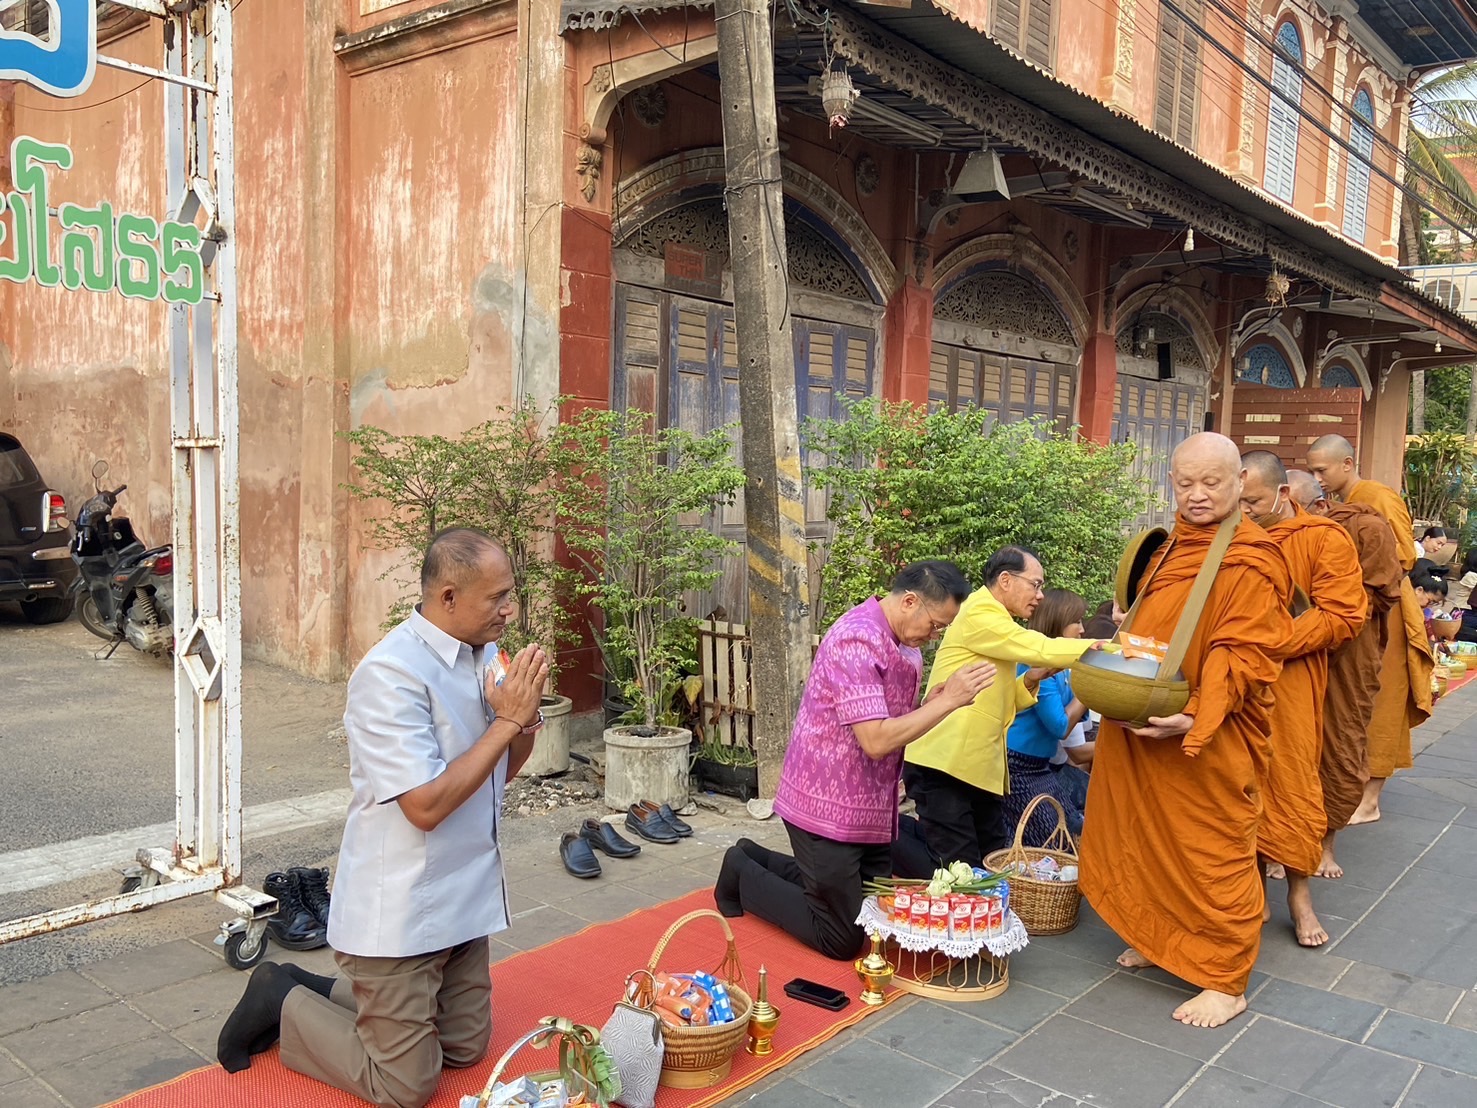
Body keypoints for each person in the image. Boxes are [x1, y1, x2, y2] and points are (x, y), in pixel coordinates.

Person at [217, 529, 549, 1108]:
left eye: (510, 594)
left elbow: (504, 772)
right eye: (497, 597)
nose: (509, 609)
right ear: (448, 596)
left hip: (463, 898)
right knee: (406, 1086)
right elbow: (423, 807)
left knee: (465, 1049)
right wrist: (505, 723)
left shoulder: (485, 655)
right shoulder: (389, 674)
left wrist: (524, 718)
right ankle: (281, 999)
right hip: (400, 909)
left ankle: (328, 992)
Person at [1079, 432, 1292, 1029]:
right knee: (1138, 832)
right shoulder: (1174, 545)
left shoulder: (1252, 555)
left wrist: (1197, 711)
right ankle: (1158, 934)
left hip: (1206, 728)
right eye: (1184, 483)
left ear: (1238, 483)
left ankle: (1225, 978)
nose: (1196, 495)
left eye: (1212, 483)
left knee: (1211, 847)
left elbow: (1246, 652)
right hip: (1144, 713)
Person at [714, 561, 995, 960]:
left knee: (871, 910)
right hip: (825, 803)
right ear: (910, 601)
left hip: (872, 805)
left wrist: (933, 704)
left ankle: (753, 856)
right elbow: (877, 740)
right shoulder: (856, 639)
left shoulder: (907, 650)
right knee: (841, 939)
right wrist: (948, 702)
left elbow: (895, 721)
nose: (934, 637)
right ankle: (741, 874)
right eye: (935, 625)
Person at [1239, 453, 1366, 948]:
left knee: (1290, 779)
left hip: (1290, 680)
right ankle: (1247, 892)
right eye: (1240, 502)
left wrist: (1273, 640)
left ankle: (1298, 895)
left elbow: (1343, 614)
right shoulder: (1233, 537)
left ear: (1283, 494)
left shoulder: (1322, 540)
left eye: (1252, 502)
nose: (1245, 511)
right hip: (1235, 679)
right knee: (1236, 782)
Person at [903, 547, 1095, 868]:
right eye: (1035, 584)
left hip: (978, 769)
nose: (1040, 595)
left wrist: (1031, 680)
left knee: (992, 861)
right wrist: (1101, 650)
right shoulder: (981, 613)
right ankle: (888, 840)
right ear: (1005, 580)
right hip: (947, 764)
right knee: (961, 869)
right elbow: (1040, 646)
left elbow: (1005, 703)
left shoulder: (997, 624)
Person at [1306, 434, 1433, 822]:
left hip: (1384, 606)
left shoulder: (1376, 496)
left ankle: (1369, 797)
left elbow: (1405, 555)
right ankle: (1354, 786)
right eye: (1312, 471)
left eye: (1322, 470)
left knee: (1380, 699)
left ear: (1346, 464)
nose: (1318, 477)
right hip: (1354, 605)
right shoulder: (1344, 503)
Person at [1289, 471, 1403, 879]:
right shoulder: (1276, 532)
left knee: (1338, 744)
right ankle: (1283, 843)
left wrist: (1333, 611)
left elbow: (1384, 587)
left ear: (1319, 506)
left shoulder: (1364, 527)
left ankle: (1324, 845)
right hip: (1295, 650)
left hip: (1347, 650)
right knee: (1287, 749)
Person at [1001, 589, 1090, 843]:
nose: (1082, 630)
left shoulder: (1063, 668)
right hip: (1017, 766)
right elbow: (1060, 726)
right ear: (1058, 622)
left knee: (1070, 827)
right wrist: (1087, 691)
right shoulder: (1036, 665)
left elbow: (1078, 720)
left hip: (1041, 766)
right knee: (1051, 840)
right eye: (1077, 622)